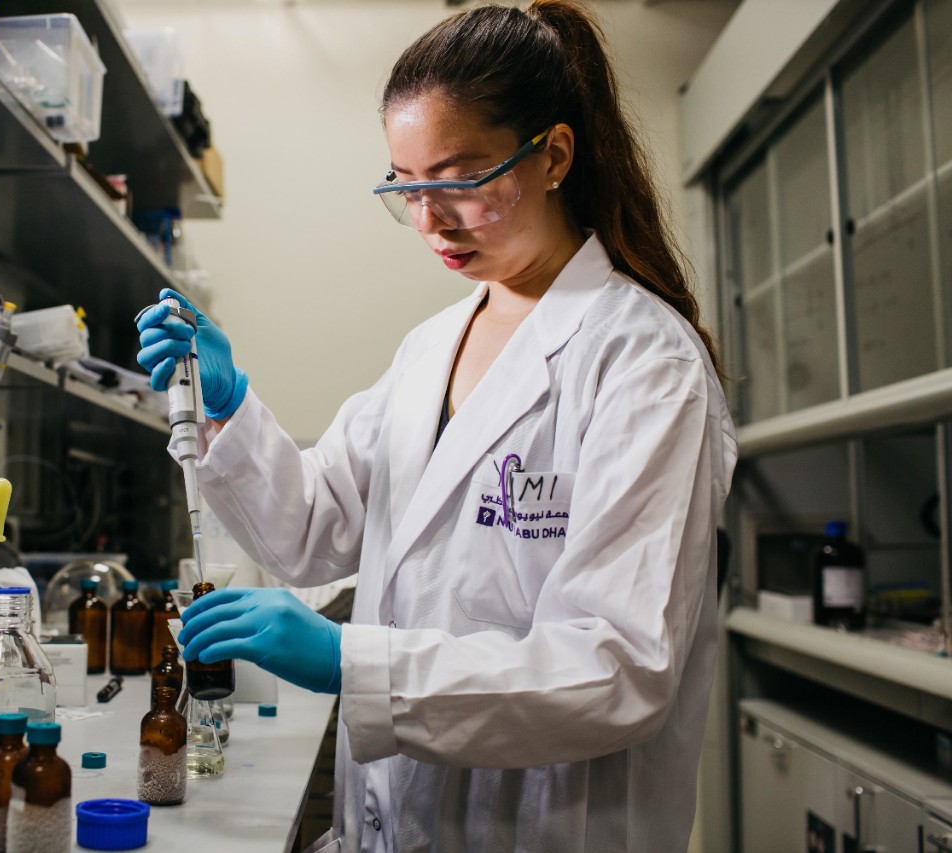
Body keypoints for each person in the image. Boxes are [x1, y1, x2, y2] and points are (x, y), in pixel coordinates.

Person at [135, 2, 737, 850]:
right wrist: (232, 403)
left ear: (554, 154)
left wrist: (355, 664)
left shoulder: (644, 365)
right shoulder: (430, 349)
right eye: (406, 186)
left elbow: (618, 666)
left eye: (457, 181)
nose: (429, 219)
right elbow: (313, 530)